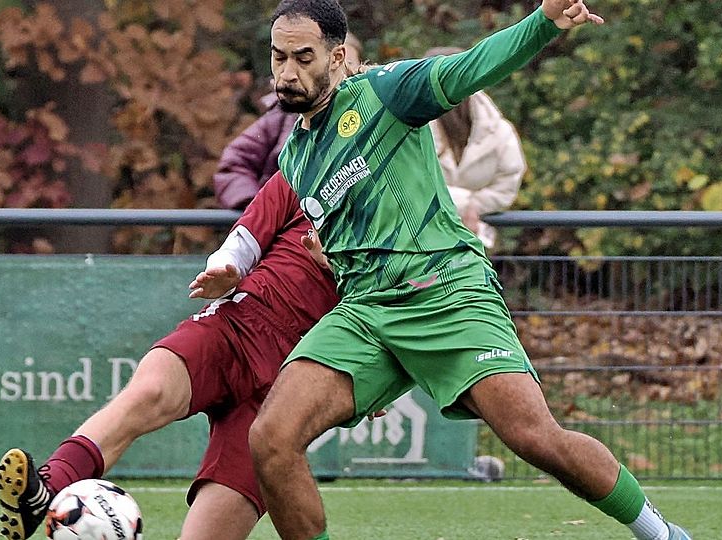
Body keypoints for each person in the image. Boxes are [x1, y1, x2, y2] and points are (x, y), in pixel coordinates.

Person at [247, 2, 693, 540]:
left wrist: (544, 20)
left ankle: (662, 534)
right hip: (365, 310)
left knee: (535, 438)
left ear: (338, 57)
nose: (287, 73)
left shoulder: (388, 92)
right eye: (278, 58)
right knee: (271, 438)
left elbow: (474, 65)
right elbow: (340, 242)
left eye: (303, 57)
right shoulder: (295, 155)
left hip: (447, 292)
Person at [0, 171, 339, 540]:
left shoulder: (402, 213)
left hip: (294, 374)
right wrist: (226, 269)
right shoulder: (309, 162)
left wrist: (368, 370)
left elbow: (391, 307)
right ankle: (49, 487)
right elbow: (246, 235)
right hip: (239, 322)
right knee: (150, 393)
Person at [213, 34, 363, 210]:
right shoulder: (284, 116)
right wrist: (262, 211)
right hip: (287, 223)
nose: (338, 70)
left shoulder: (370, 112)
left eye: (348, 64)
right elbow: (235, 163)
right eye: (330, 63)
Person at [424, 46, 526, 250]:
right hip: (418, 239)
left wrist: (476, 206)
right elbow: (406, 181)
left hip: (473, 241)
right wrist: (464, 203)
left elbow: (508, 182)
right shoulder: (410, 125)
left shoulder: (498, 129)